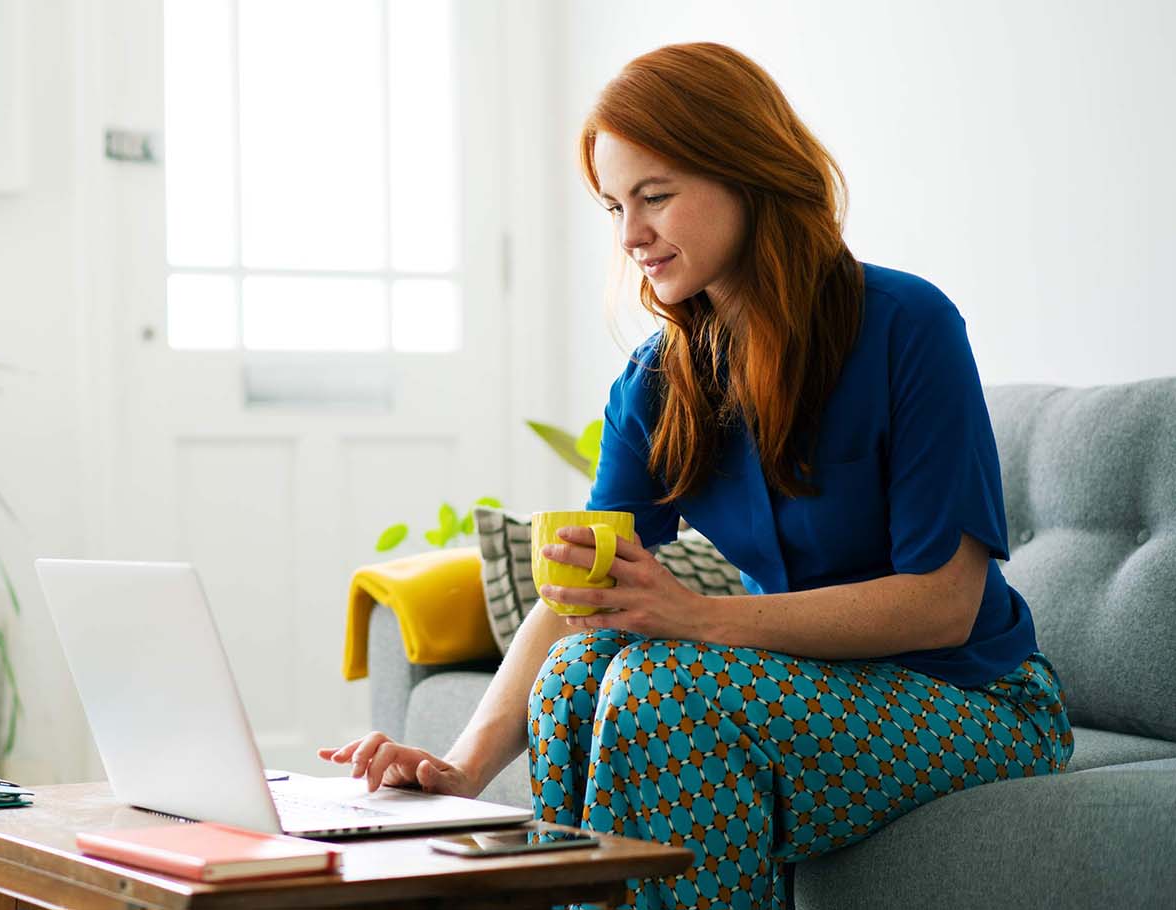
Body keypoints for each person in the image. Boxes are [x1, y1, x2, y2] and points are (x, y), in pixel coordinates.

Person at [318, 41, 1074, 910]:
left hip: (974, 698)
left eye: (655, 196)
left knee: (664, 685)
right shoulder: (659, 378)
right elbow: (580, 596)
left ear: (747, 173)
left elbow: (943, 603)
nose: (631, 236)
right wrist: (461, 766)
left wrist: (702, 618)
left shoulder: (908, 326)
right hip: (803, 687)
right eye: (613, 206)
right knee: (579, 674)